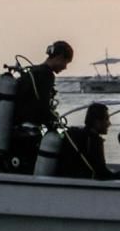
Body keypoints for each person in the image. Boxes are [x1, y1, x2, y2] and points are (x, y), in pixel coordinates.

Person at [10, 40, 73, 173]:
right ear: (60, 57)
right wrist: (54, 123)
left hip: (16, 129)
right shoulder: (46, 75)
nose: (65, 67)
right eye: (66, 63)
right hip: (28, 132)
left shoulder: (34, 71)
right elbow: (42, 105)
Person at [56, 102, 116, 180]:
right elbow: (102, 172)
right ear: (97, 122)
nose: (109, 123)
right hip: (83, 183)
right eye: (106, 119)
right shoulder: (93, 141)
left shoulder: (76, 135)